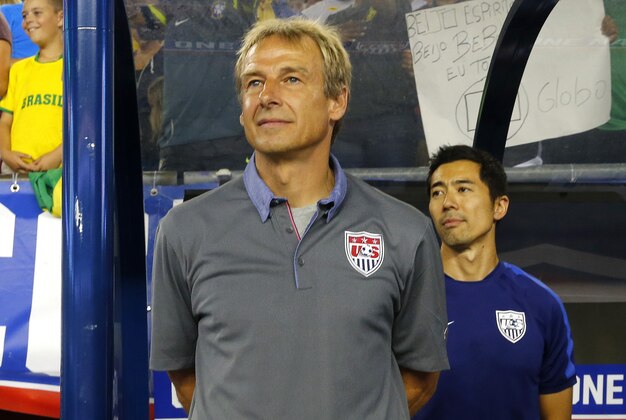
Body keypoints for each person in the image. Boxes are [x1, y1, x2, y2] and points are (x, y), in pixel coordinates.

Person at [150, 18, 449, 419]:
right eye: (254, 82)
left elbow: (419, 379)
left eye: (291, 79)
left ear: (336, 101)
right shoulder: (185, 230)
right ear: (241, 109)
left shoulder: (405, 231)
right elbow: (186, 377)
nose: (267, 95)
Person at [414, 145, 576, 420]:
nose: (448, 202)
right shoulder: (406, 298)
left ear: (499, 206)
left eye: (463, 189)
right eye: (437, 192)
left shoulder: (541, 304)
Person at [0, 0, 63, 174]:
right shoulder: (18, 70)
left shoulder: (76, 70)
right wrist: (5, 153)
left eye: (37, 13)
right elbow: (5, 122)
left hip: (60, 174)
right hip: (15, 174)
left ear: (60, 18)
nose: (28, 20)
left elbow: (86, 127)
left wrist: (58, 155)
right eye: (24, 15)